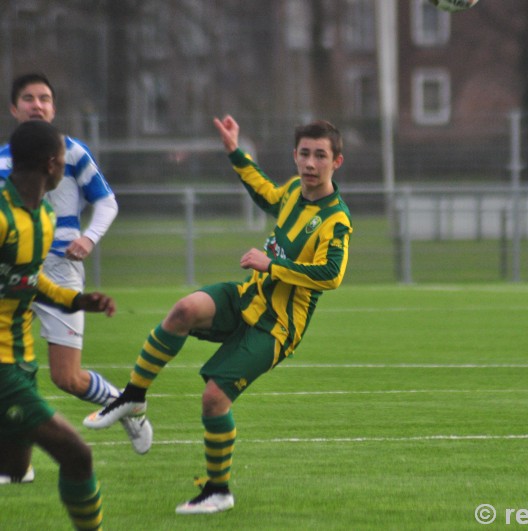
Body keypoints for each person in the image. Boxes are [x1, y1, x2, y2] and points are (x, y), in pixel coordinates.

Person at [84, 115, 353, 514]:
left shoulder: (337, 220)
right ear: (295, 156)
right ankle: (133, 398)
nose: (310, 164)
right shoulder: (295, 189)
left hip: (277, 328)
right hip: (248, 297)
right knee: (185, 309)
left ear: (337, 162)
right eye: (304, 154)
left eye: (320, 156)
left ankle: (218, 490)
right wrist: (233, 149)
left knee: (214, 399)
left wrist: (271, 266)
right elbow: (265, 193)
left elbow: (332, 275)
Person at [0, 72, 152, 462]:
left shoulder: (73, 153)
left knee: (66, 378)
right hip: (9, 275)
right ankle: (17, 463)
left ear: (53, 107)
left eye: (45, 98)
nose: (37, 104)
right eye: (29, 98)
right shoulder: (3, 160)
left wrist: (88, 238)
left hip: (59, 270)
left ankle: (125, 404)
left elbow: (107, 202)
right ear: (14, 108)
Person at [0, 119, 115, 529]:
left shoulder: (45, 216)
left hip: (21, 362)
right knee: (77, 455)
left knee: (14, 468)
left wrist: (77, 300)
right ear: (52, 165)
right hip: (3, 370)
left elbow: (32, 279)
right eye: (64, 161)